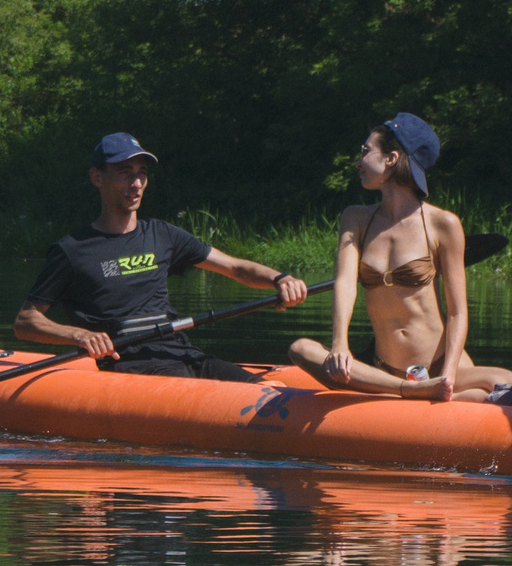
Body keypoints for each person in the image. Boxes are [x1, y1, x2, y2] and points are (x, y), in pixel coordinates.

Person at [16, 132, 308, 380]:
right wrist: (79, 335)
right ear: (97, 177)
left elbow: (234, 267)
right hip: (129, 363)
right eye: (125, 172)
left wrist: (280, 279)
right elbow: (26, 322)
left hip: (183, 353)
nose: (136, 183)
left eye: (142, 173)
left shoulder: (162, 234)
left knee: (270, 391)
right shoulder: (71, 250)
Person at [287, 114, 512, 402]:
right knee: (301, 349)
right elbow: (346, 283)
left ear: (391, 158)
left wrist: (447, 375)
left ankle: (428, 392)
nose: (358, 162)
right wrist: (340, 344)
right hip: (383, 370)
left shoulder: (443, 224)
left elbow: (457, 312)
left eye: (365, 151)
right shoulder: (355, 219)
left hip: (438, 366)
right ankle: (407, 390)